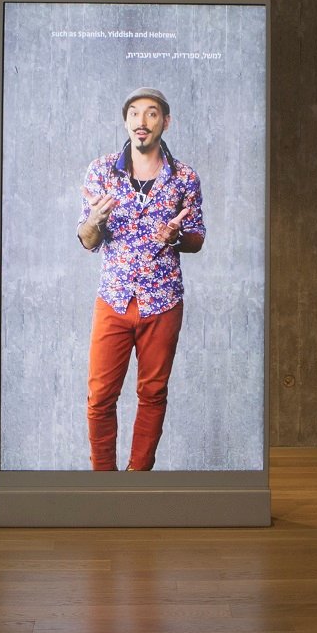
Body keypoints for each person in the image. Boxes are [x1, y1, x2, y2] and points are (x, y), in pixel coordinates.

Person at [75, 88, 206, 471]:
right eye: (134, 113)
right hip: (114, 300)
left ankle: (138, 477)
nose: (141, 121)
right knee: (100, 397)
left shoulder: (184, 178)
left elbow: (197, 238)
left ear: (165, 122)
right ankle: (103, 479)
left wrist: (176, 237)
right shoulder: (101, 172)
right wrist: (94, 222)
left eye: (151, 113)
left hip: (163, 302)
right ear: (126, 122)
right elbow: (86, 240)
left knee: (152, 394)